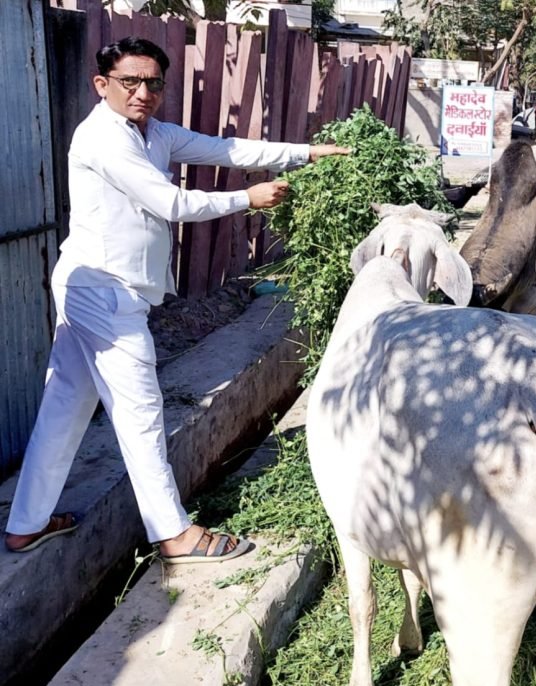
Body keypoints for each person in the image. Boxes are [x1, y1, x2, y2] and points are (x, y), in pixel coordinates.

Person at [3, 36, 349, 563]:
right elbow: (169, 202)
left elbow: (226, 149)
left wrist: (305, 153)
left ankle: (26, 523)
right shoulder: (102, 138)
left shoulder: (153, 134)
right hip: (102, 291)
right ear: (103, 85)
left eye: (153, 83)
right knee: (141, 411)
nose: (143, 92)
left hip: (103, 287)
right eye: (130, 82)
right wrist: (247, 199)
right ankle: (172, 533)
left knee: (65, 406)